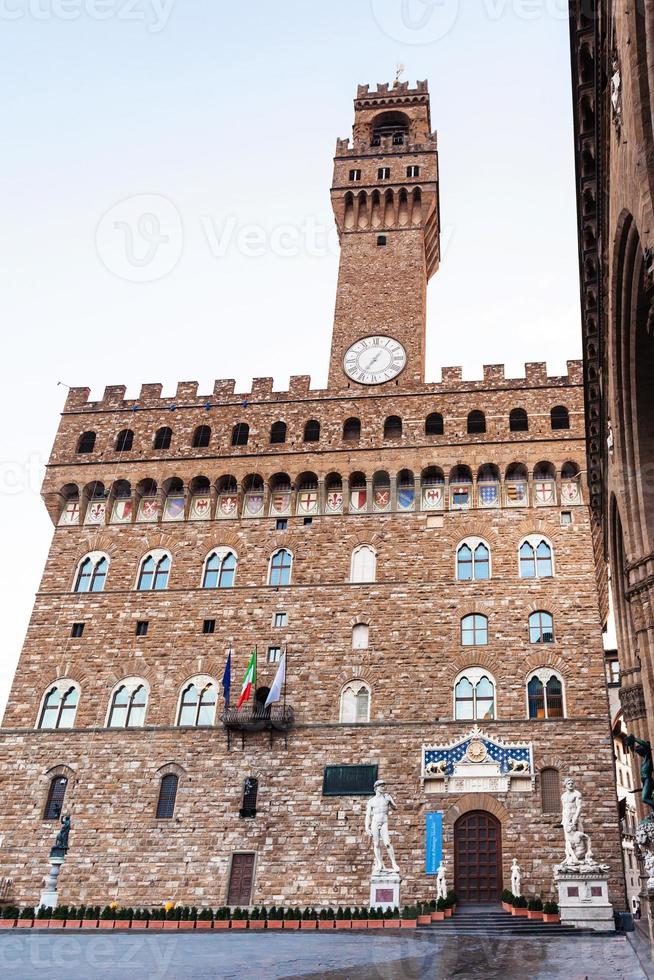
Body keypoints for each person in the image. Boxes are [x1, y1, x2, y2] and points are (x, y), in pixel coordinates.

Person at [365, 780, 400, 873]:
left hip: (384, 821)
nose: (383, 788)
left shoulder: (387, 797)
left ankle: (394, 863)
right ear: (376, 788)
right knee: (376, 844)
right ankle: (379, 863)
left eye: (384, 786)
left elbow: (396, 808)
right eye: (381, 786)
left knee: (387, 843)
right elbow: (368, 815)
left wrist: (391, 801)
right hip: (375, 822)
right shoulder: (371, 801)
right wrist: (366, 827)